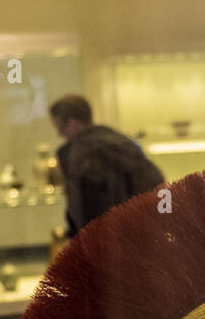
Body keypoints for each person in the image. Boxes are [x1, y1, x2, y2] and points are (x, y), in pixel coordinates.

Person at [48, 94, 164, 236]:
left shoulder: (75, 151)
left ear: (72, 124)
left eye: (60, 129)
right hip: (141, 231)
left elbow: (82, 203)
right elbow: (155, 182)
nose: (60, 135)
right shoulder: (122, 141)